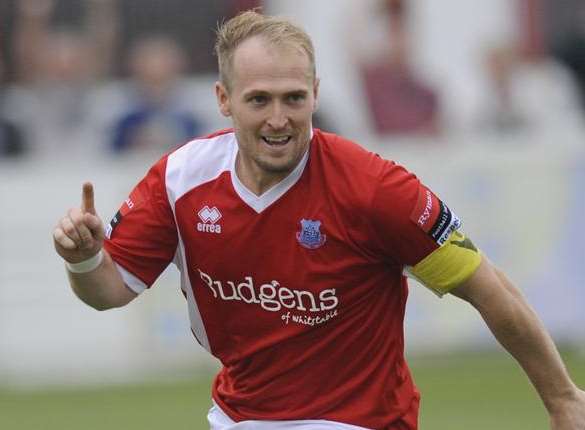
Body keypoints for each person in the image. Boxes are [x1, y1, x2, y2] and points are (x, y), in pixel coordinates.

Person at [52, 10, 585, 430]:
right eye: (259, 100)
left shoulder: (375, 190)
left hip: (360, 423)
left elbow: (488, 288)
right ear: (223, 100)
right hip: (239, 419)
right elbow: (108, 291)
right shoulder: (180, 179)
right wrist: (84, 260)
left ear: (317, 96)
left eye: (294, 99)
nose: (278, 119)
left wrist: (563, 400)